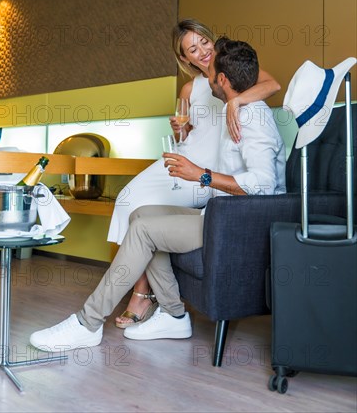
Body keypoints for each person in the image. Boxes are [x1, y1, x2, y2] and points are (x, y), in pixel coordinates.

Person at [29, 38, 286, 351]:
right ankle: (174, 316)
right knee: (142, 214)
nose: (206, 69)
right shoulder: (236, 109)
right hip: (221, 214)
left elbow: (263, 184)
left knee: (143, 230)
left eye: (212, 69)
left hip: (238, 225)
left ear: (222, 80)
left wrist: (201, 175)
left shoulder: (253, 117)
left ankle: (88, 322)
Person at [111, 19, 281, 329]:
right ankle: (147, 290)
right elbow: (189, 135)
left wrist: (237, 101)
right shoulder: (190, 87)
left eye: (204, 42)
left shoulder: (233, 79)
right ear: (185, 59)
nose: (202, 51)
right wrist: (181, 128)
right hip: (188, 157)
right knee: (126, 200)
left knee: (142, 215)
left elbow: (273, 85)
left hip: (208, 171)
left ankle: (142, 293)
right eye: (193, 49)